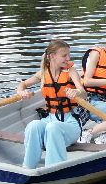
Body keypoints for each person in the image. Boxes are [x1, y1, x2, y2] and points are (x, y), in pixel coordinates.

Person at [14, 40, 86, 168]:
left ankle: (54, 168)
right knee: (33, 125)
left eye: (68, 55)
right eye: (64, 55)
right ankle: (28, 167)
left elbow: (83, 93)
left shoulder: (71, 71)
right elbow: (23, 84)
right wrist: (21, 91)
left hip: (70, 123)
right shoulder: (43, 73)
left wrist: (76, 91)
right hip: (50, 119)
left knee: (53, 127)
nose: (68, 58)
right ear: (52, 56)